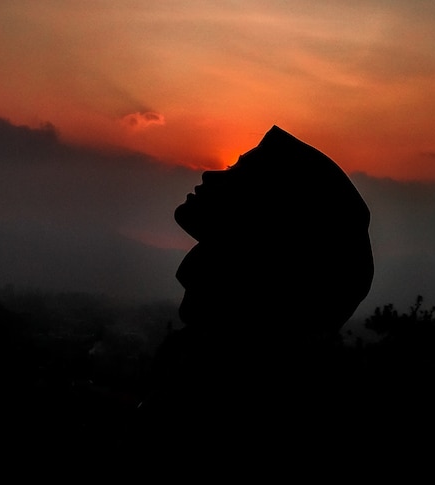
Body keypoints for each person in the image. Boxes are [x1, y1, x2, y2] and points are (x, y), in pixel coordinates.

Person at [140, 125, 373, 432]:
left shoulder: (230, 377)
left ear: (266, 220)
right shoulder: (215, 354)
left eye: (235, 173)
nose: (210, 175)